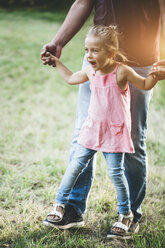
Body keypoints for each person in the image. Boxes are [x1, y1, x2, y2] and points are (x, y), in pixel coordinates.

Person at [41, 0, 165, 235]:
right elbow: (83, 1)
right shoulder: (90, 65)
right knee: (82, 139)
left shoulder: (124, 70)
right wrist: (58, 44)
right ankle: (72, 209)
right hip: (99, 54)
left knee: (133, 144)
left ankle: (129, 215)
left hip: (141, 59)